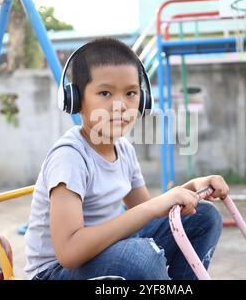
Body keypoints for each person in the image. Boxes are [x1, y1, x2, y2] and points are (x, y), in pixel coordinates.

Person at [24, 37, 229, 280]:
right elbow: (69, 252)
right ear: (76, 100)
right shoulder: (70, 157)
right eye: (105, 93)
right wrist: (152, 208)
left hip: (102, 256)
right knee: (138, 256)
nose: (120, 105)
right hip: (55, 272)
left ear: (143, 100)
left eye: (131, 93)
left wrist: (191, 188)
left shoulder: (124, 150)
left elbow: (147, 210)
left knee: (204, 216)